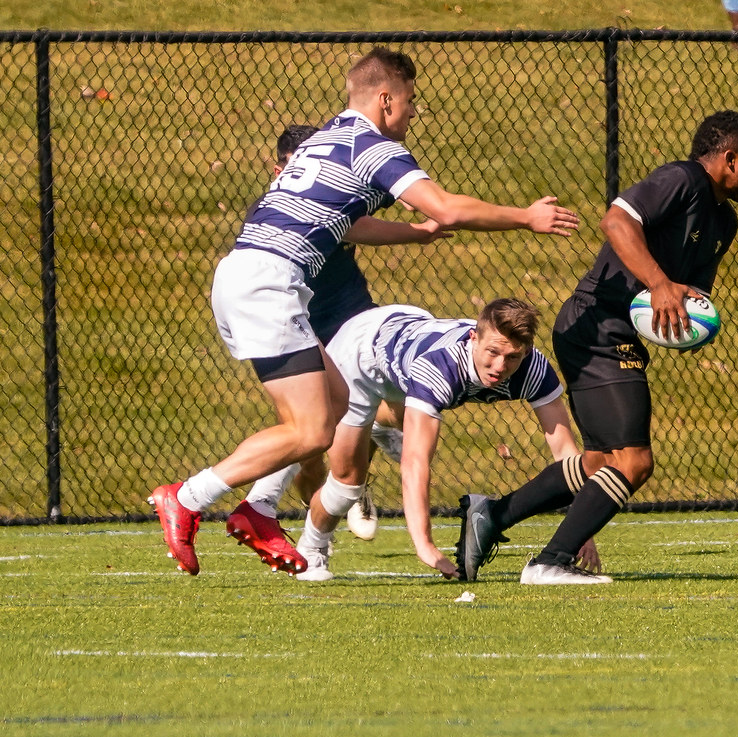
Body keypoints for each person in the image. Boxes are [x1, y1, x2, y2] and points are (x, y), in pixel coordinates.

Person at [149, 47, 579, 576]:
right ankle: (188, 497)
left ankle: (258, 509)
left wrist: (414, 236)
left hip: (249, 273)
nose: (413, 113)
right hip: (269, 283)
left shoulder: (325, 139)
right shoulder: (372, 146)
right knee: (309, 432)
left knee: (336, 405)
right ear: (385, 99)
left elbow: (343, 225)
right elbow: (444, 205)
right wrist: (525, 217)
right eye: (411, 102)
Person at [456, 110, 738, 585]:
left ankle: (491, 516)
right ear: (729, 159)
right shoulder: (680, 179)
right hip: (594, 326)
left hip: (613, 335)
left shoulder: (724, 221)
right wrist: (659, 284)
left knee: (602, 462)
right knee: (634, 460)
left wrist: (685, 323)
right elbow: (616, 220)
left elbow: (688, 294)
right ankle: (550, 562)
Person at [293, 298, 600, 582]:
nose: (500, 367)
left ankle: (381, 427)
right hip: (362, 354)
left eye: (512, 357)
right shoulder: (439, 368)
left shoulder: (532, 368)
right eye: (492, 353)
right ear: (473, 338)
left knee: (407, 419)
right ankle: (311, 547)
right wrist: (424, 543)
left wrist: (581, 531)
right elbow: (415, 461)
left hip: (407, 346)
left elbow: (566, 455)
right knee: (347, 482)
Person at [234, 124, 407, 546]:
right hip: (294, 319)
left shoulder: (336, 196)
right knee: (307, 442)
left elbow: (359, 223)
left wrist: (423, 230)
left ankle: (355, 464)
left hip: (347, 314)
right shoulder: (273, 213)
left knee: (394, 404)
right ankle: (327, 515)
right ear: (278, 171)